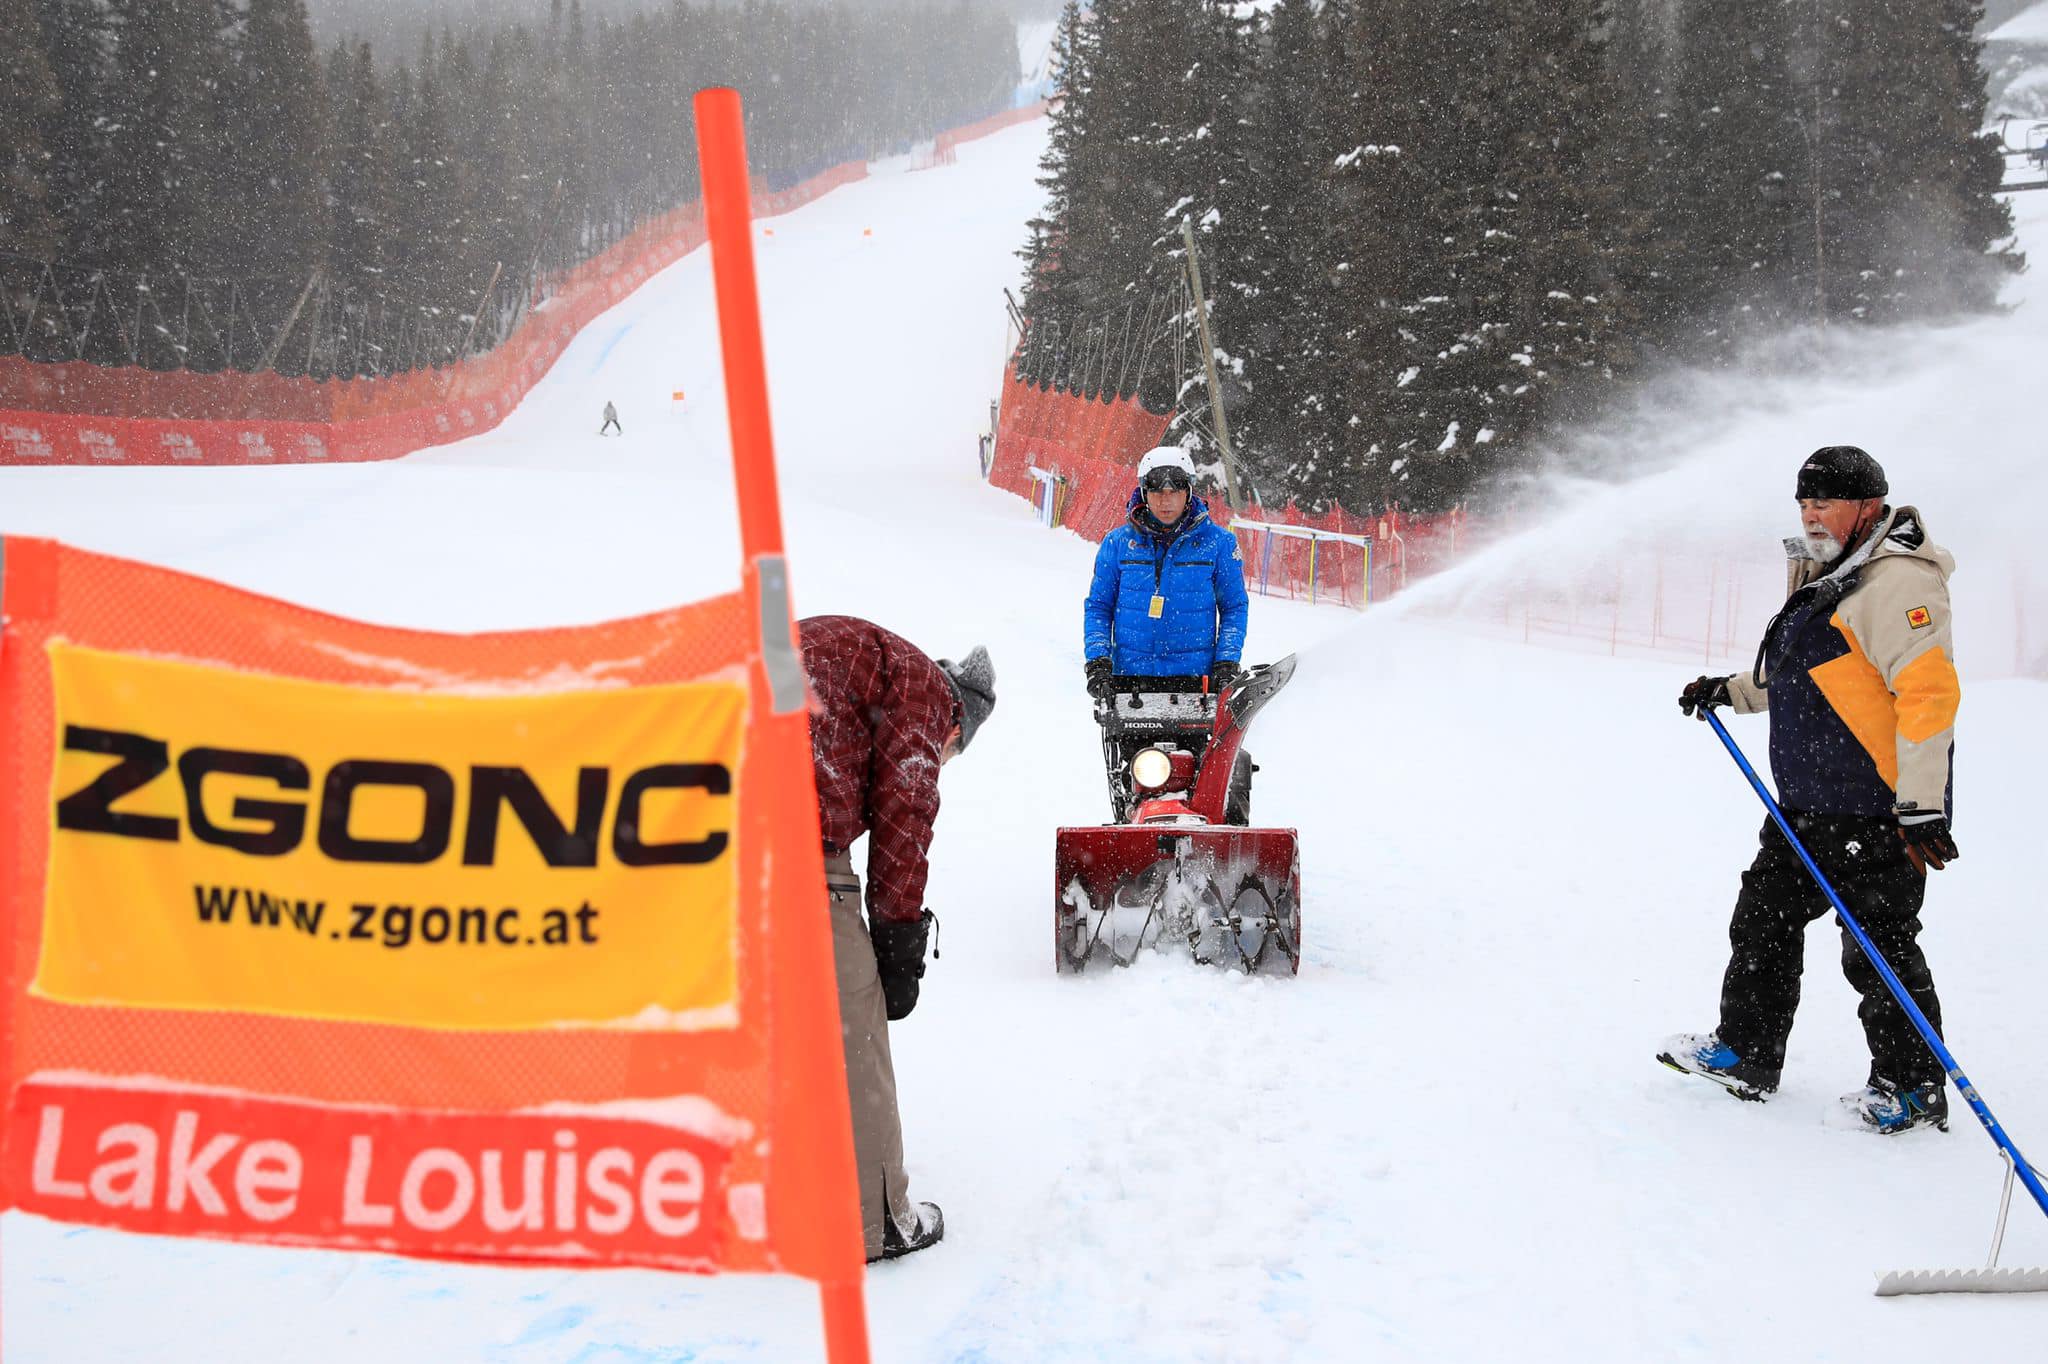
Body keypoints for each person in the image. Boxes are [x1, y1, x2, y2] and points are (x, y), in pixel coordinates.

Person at [1660, 445, 1959, 1135]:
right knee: (1762, 921)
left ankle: (1912, 1089)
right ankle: (1747, 1054)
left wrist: (1920, 806)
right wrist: (1732, 691)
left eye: (1824, 501)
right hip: (1807, 803)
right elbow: (1811, 669)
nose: (1810, 513)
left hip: (1877, 805)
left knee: (1877, 948)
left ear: (1870, 506)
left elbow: (1928, 697)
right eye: (1803, 501)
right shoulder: (1833, 571)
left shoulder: (1898, 583)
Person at [796, 615, 995, 1260]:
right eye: (950, 753)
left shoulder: (872, 665)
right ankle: (877, 1221)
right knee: (856, 1030)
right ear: (957, 724)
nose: (942, 759)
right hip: (793, 840)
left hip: (703, 827)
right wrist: (898, 943)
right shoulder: (925, 693)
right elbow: (904, 816)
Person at [1081, 446, 1251, 816]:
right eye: (1157, 489)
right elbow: (1098, 607)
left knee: (1210, 788)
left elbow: (1235, 608)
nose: (1166, 499)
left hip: (1197, 688)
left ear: (1189, 490)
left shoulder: (1219, 545)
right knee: (1135, 786)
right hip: (1132, 689)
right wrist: (1098, 662)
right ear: (1143, 492)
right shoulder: (1117, 545)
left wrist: (1226, 661)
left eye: (1175, 489)